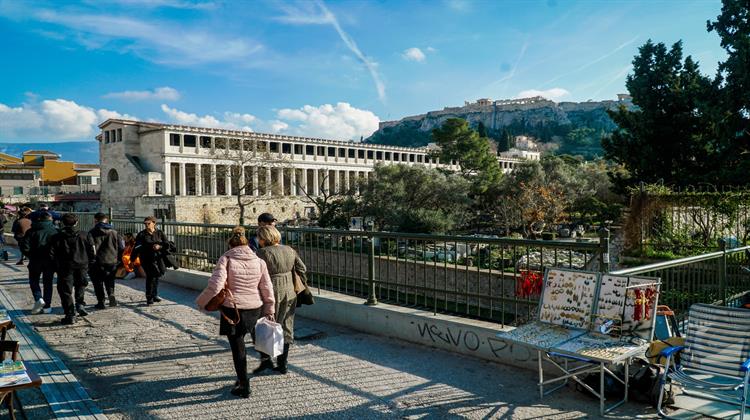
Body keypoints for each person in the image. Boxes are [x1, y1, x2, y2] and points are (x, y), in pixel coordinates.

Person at [195, 226, 275, 398]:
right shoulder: (259, 261)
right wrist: (269, 308)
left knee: (238, 348)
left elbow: (216, 285)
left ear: (230, 244)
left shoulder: (226, 259)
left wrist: (202, 302)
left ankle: (243, 384)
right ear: (247, 243)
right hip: (254, 306)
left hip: (233, 309)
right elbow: (267, 287)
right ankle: (265, 361)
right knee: (256, 337)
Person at [254, 225, 306, 375]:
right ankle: (283, 364)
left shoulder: (261, 253)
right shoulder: (289, 250)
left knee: (266, 325)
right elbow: (302, 268)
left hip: (270, 291)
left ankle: (267, 360)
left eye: (259, 237)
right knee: (286, 326)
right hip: (290, 291)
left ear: (263, 238)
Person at [50, 213, 91, 324]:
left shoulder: (56, 237)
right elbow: (92, 252)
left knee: (65, 291)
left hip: (65, 267)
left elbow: (51, 255)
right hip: (82, 265)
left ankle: (70, 314)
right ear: (76, 222)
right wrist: (89, 264)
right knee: (80, 285)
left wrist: (56, 267)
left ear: (62, 223)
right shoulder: (85, 235)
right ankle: (80, 303)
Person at [19, 211, 58, 314]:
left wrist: (30, 255)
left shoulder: (31, 231)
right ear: (51, 219)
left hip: (35, 260)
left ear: (39, 219)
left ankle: (38, 298)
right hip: (50, 261)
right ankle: (47, 307)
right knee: (48, 283)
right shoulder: (55, 232)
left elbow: (24, 246)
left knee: (34, 280)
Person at [87, 212, 124, 309]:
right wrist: (118, 260)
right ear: (106, 220)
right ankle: (111, 294)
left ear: (95, 220)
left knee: (97, 282)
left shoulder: (92, 232)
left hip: (97, 262)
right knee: (110, 280)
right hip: (111, 261)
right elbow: (121, 247)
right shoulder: (114, 232)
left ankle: (101, 302)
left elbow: (90, 248)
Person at [130, 216, 169, 305]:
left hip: (158, 258)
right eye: (145, 224)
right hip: (146, 258)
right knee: (151, 276)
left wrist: (160, 246)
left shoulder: (159, 233)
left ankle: (154, 295)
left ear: (154, 223)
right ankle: (149, 297)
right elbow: (136, 247)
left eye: (149, 223)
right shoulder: (141, 234)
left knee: (157, 275)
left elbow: (167, 244)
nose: (146, 225)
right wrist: (132, 259)